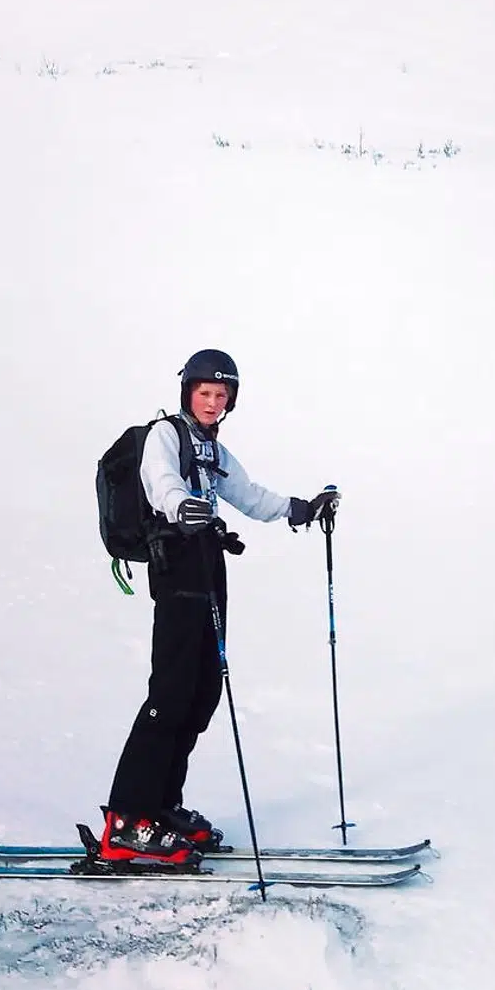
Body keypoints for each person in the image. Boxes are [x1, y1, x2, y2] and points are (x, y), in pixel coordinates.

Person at [101, 348, 338, 862]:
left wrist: (298, 509)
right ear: (188, 392)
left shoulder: (211, 448)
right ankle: (126, 818)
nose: (212, 403)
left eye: (221, 396)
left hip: (208, 565)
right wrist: (179, 504)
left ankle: (161, 805)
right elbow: (158, 479)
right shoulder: (167, 435)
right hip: (176, 566)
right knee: (169, 691)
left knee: (202, 690)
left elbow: (249, 495)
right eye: (204, 393)